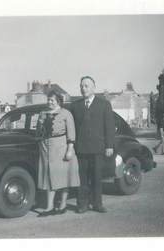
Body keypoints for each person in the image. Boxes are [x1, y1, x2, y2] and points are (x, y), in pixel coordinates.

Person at [71, 76, 115, 214]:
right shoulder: (75, 106)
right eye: (81, 86)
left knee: (96, 176)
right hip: (81, 149)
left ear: (93, 88)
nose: (83, 88)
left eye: (86, 86)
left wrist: (109, 145)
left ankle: (97, 203)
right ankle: (82, 204)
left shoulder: (104, 104)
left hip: (98, 148)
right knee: (82, 178)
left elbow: (109, 126)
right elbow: (72, 128)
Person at [36, 90, 80, 217]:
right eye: (48, 100)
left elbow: (71, 133)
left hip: (61, 147)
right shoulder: (42, 113)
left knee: (63, 177)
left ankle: (63, 204)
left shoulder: (66, 114)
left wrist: (70, 150)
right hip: (45, 148)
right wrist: (40, 125)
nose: (49, 102)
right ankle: (49, 206)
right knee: (49, 177)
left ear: (58, 101)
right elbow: (38, 132)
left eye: (52, 100)